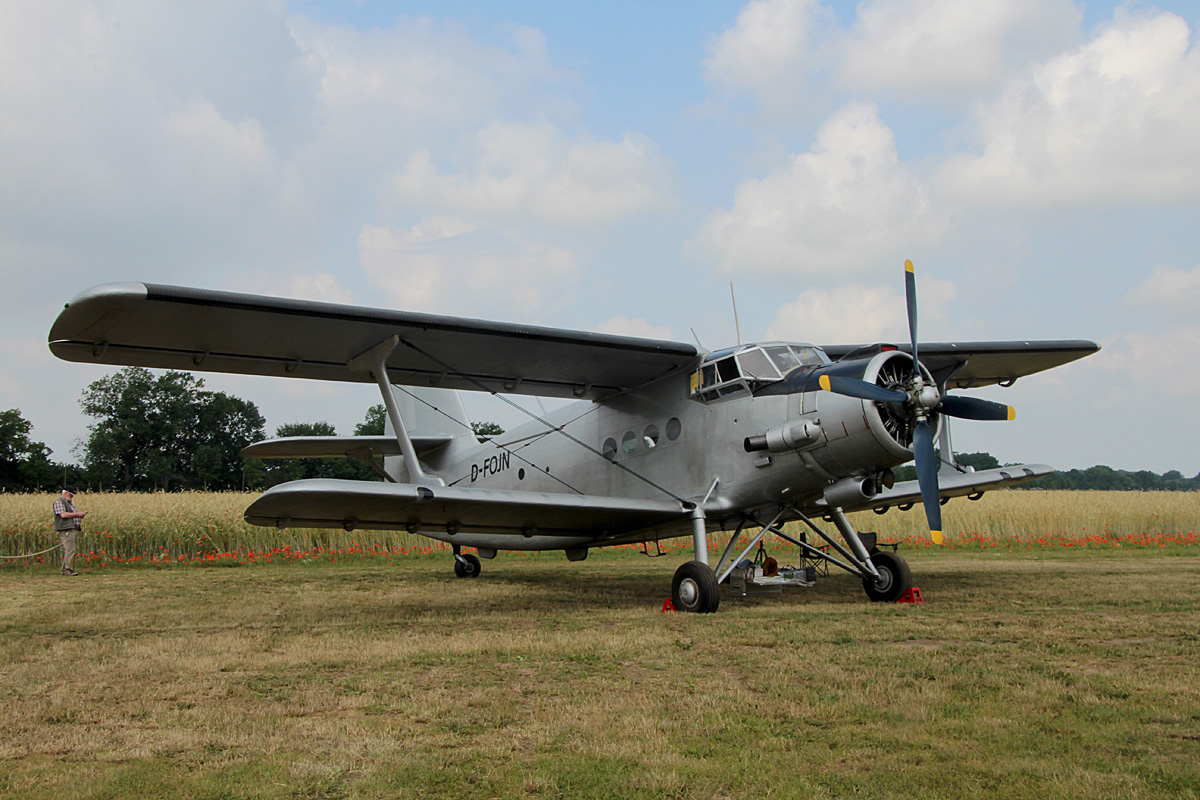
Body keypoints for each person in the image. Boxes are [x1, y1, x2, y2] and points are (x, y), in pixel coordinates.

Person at [52, 486, 86, 576]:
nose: (72, 497)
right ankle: (67, 569)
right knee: (70, 549)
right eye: (71, 495)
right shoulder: (59, 502)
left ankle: (66, 569)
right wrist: (77, 514)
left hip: (72, 528)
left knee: (70, 549)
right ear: (66, 493)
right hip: (66, 529)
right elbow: (63, 515)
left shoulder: (69, 503)